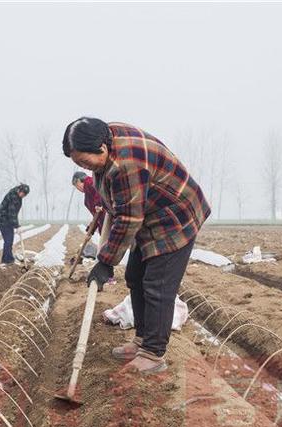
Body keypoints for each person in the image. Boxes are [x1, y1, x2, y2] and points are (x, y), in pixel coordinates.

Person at [62, 117, 211, 375]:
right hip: (150, 215)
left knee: (157, 285)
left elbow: (129, 218)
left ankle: (153, 354)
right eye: (79, 164)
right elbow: (119, 207)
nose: (85, 168)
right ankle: (142, 340)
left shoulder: (125, 164)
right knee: (135, 276)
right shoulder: (106, 140)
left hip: (175, 216)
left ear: (102, 148)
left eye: (85, 162)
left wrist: (106, 261)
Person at [0, 184, 30, 264]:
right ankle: (8, 260)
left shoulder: (18, 196)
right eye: (22, 193)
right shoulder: (13, 196)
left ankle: (6, 260)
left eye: (24, 194)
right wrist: (17, 226)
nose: (22, 195)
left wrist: (16, 224)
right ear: (19, 190)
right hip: (3, 219)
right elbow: (12, 212)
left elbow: (14, 213)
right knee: (8, 240)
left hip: (8, 219)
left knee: (9, 240)